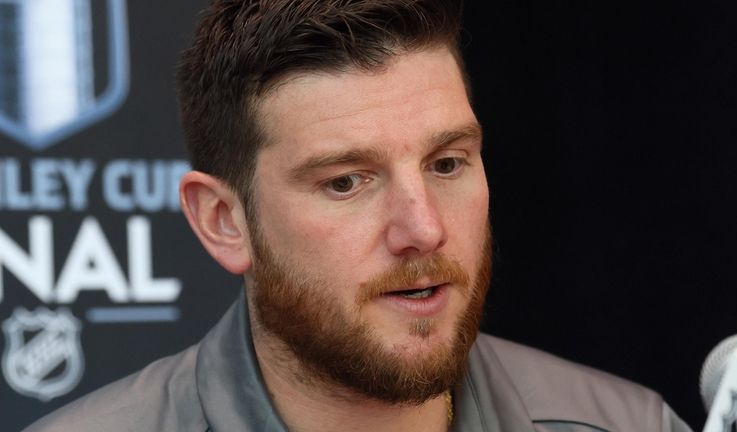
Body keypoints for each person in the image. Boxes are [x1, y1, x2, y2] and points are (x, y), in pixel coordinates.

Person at [24, 1, 692, 431]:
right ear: (224, 220)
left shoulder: (629, 424)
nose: (424, 229)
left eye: (447, 163)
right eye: (347, 181)